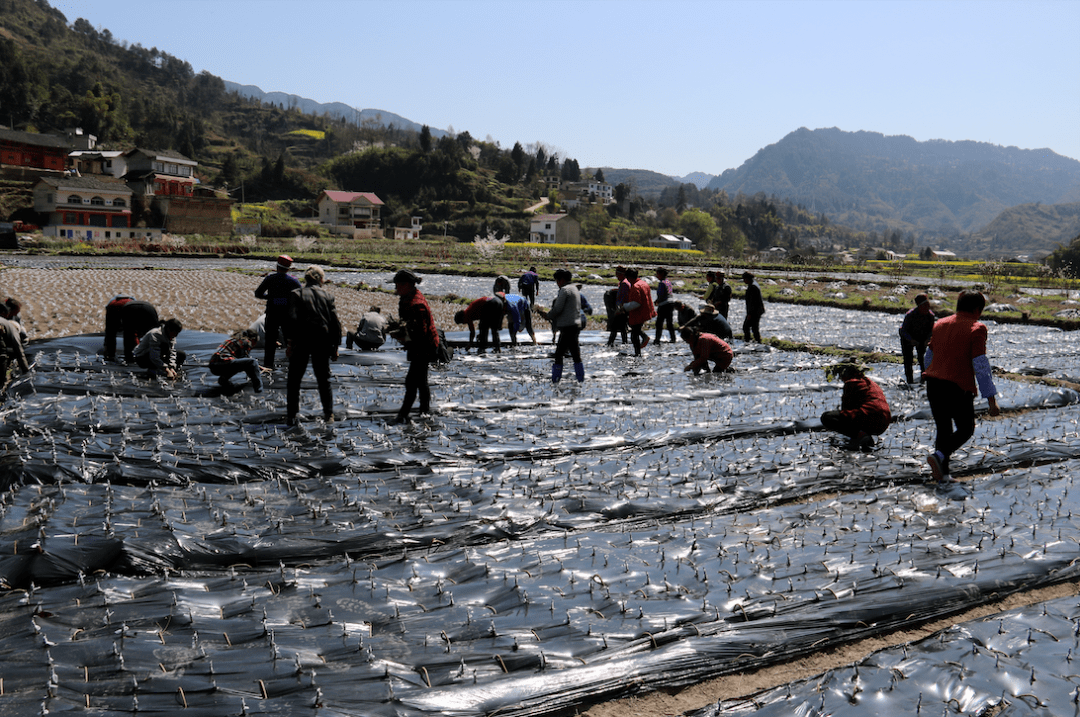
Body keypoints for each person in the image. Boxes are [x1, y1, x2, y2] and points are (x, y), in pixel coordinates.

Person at [923, 289, 1000, 481]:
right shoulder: (977, 328)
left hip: (933, 384)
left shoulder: (940, 324)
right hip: (957, 387)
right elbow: (980, 364)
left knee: (944, 429)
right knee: (966, 429)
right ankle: (939, 457)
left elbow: (928, 357)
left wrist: (931, 373)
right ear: (977, 310)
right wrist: (991, 399)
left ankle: (943, 475)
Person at [285, 266, 342, 425]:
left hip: (302, 341)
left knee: (294, 380)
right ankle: (328, 414)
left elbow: (292, 321)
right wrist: (335, 347)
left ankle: (291, 415)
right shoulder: (327, 296)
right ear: (320, 280)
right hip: (322, 341)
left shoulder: (297, 294)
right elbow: (335, 323)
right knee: (324, 380)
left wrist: (290, 344)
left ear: (306, 279)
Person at [390, 269, 440, 423]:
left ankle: (403, 415)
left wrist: (402, 336)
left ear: (406, 285)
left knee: (411, 381)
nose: (395, 288)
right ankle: (424, 412)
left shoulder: (416, 304)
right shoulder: (407, 298)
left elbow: (421, 332)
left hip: (423, 345)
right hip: (420, 344)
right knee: (421, 381)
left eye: (397, 285)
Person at [819, 361, 891, 450]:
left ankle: (861, 435)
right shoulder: (870, 383)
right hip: (884, 422)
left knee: (827, 417)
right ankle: (864, 436)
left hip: (870, 417)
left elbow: (846, 409)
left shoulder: (851, 383)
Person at [254, 254, 301, 372]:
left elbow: (258, 294)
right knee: (289, 341)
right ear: (288, 268)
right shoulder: (293, 281)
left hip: (272, 314)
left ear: (277, 266)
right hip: (288, 316)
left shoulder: (270, 279)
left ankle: (268, 366)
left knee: (270, 342)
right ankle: (293, 365)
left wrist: (270, 297)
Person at [538, 269, 584, 383]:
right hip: (576, 324)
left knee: (559, 354)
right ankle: (580, 379)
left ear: (561, 280)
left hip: (568, 326)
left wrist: (547, 315)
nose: (557, 284)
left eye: (557, 281)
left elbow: (558, 309)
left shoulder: (564, 290)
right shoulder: (574, 289)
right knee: (575, 354)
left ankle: (556, 380)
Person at [103, 295, 159, 363]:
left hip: (130, 309)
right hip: (149, 307)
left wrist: (110, 354)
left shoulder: (112, 306)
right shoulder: (130, 300)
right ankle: (157, 356)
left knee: (128, 335)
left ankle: (130, 359)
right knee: (156, 335)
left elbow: (110, 333)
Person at [899, 294, 936, 384]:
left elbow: (932, 331)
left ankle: (924, 381)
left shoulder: (930, 316)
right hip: (908, 338)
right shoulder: (910, 315)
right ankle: (909, 381)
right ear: (919, 306)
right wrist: (911, 340)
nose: (927, 308)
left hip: (922, 338)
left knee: (923, 359)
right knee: (908, 360)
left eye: (928, 305)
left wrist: (928, 340)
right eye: (925, 305)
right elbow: (903, 331)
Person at [621, 267, 656, 356]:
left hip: (638, 313)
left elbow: (636, 303)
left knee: (634, 335)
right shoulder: (644, 284)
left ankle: (638, 353)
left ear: (628, 277)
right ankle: (643, 340)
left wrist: (624, 307)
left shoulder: (635, 287)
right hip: (645, 311)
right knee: (635, 330)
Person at [0, 314, 30, 389]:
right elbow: (19, 352)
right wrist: (26, 371)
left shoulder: (5, 324)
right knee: (2, 357)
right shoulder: (14, 330)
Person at [607, 266, 631, 347]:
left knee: (614, 327)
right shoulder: (624, 282)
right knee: (623, 327)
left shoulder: (624, 283)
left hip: (622, 309)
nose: (616, 275)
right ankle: (624, 343)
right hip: (624, 308)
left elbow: (623, 297)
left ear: (622, 274)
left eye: (617, 274)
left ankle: (610, 343)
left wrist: (619, 309)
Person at [654, 268, 677, 344]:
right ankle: (673, 338)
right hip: (671, 303)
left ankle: (657, 339)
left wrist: (656, 302)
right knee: (669, 323)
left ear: (661, 274)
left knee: (659, 323)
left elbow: (661, 296)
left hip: (664, 304)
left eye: (658, 274)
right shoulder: (668, 282)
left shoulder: (661, 283)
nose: (657, 276)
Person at [741, 271, 765, 342]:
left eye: (744, 279)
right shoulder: (754, 284)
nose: (744, 281)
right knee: (754, 328)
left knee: (746, 327)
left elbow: (752, 302)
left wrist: (750, 314)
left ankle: (749, 341)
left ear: (747, 279)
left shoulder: (752, 287)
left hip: (755, 311)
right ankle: (756, 341)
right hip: (758, 310)